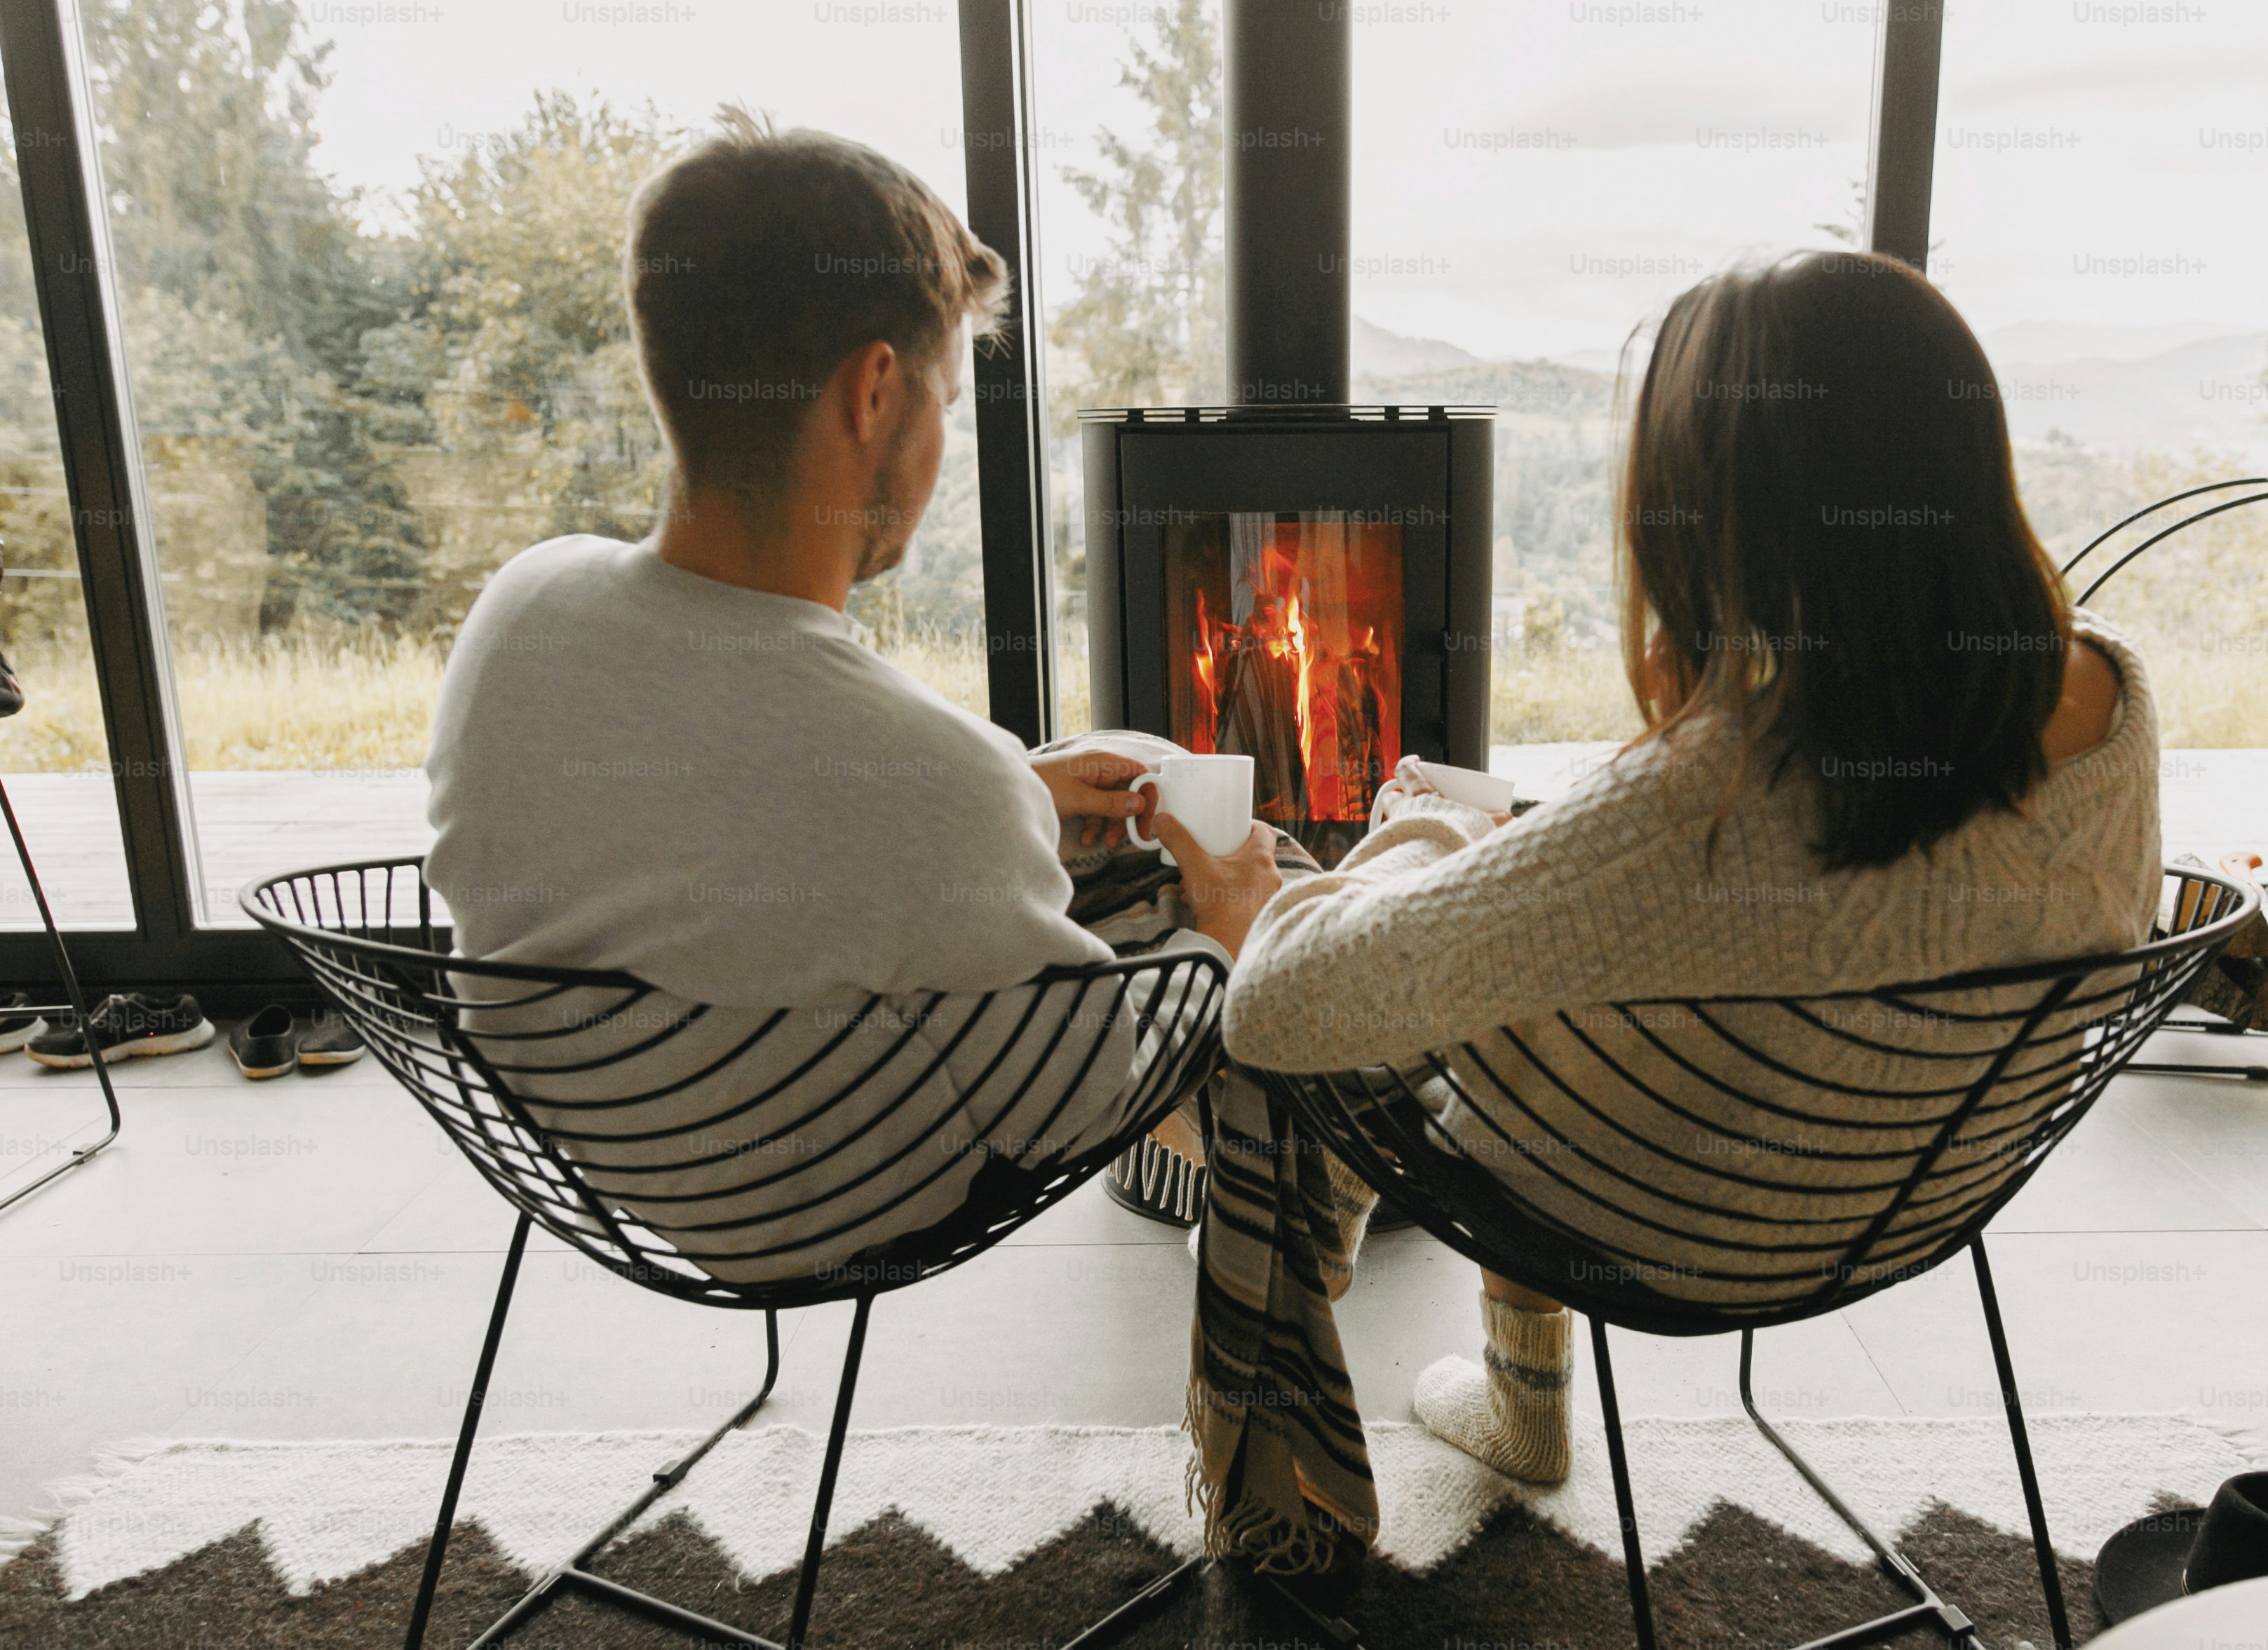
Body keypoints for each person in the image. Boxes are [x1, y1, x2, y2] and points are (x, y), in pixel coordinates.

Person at [1184, 250, 2160, 1567]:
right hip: (1919, 1181)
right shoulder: (2113, 692)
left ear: (1724, 510)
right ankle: (1521, 1403)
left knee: (1363, 993)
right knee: (1541, 939)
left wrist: (1417, 833)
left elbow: (1281, 1001)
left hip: (1670, 1220)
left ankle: (1413, 1442)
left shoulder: (1702, 797)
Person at [424, 108, 1281, 1283]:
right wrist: (1233, 931)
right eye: (945, 396)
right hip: (817, 1199)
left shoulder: (521, 603)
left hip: (592, 1155)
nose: (941, 436)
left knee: (1092, 778)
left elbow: (702, 823)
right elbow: (1097, 1094)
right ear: (874, 392)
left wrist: (1013, 796)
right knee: (1268, 896)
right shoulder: (935, 779)